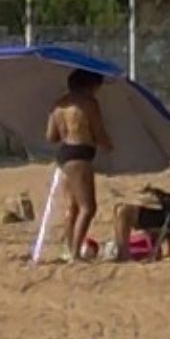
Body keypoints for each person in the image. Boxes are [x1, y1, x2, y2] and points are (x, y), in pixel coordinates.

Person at [44, 68, 113, 262]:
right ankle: (75, 252)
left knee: (72, 206)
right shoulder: (89, 103)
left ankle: (69, 249)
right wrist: (109, 146)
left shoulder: (58, 105)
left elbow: (50, 136)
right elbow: (98, 131)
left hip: (64, 153)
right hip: (80, 153)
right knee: (87, 207)